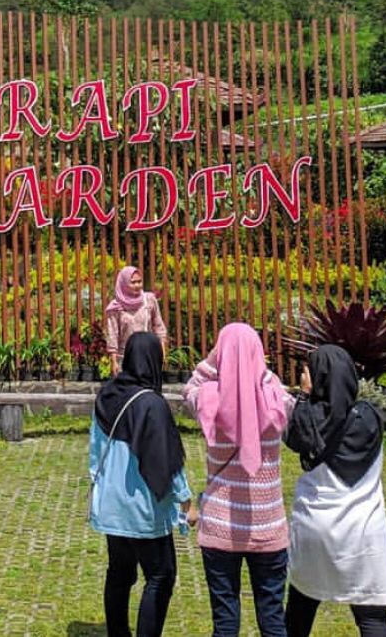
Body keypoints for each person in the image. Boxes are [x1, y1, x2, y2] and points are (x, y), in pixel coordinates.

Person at [184, 322, 296, 637]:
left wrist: (214, 361)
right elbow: (275, 384)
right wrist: (256, 367)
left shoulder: (208, 399)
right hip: (268, 526)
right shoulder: (276, 398)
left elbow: (190, 384)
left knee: (225, 621)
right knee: (273, 618)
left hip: (221, 526)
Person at [283, 345, 386, 637]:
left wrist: (304, 397)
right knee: (371, 617)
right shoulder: (370, 416)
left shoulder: (311, 420)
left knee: (299, 611)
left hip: (315, 527)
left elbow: (296, 436)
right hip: (365, 530)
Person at [89, 331, 195, 637]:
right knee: (161, 575)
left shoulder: (107, 395)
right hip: (143, 507)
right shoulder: (152, 405)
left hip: (112, 504)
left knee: (119, 573)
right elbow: (166, 461)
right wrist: (185, 501)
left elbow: (95, 455)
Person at [105, 266, 168, 372]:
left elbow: (158, 326)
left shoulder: (149, 300)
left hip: (147, 355)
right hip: (125, 358)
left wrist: (162, 352)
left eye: (139, 281)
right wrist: (114, 361)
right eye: (133, 282)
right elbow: (113, 335)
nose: (137, 285)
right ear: (124, 284)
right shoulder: (116, 307)